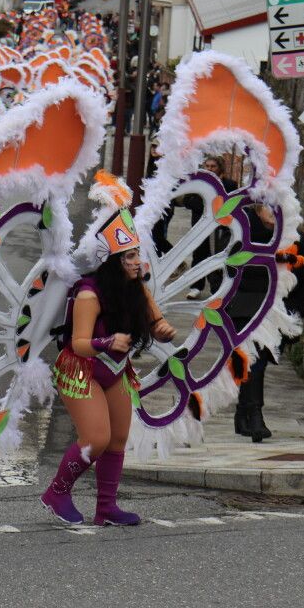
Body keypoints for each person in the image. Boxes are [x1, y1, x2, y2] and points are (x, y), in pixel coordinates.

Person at [41, 173, 176, 526]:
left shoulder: (134, 287)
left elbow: (154, 318)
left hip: (114, 368)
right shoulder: (89, 293)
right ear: (112, 261)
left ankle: (106, 507)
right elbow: (79, 343)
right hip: (79, 366)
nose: (136, 262)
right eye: (129, 256)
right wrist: (107, 342)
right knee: (96, 438)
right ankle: (57, 491)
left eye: (136, 254)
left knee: (118, 438)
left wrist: (162, 329)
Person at [232, 206, 304, 442]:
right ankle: (255, 414)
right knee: (254, 358)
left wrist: (295, 307)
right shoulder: (242, 230)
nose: (273, 211)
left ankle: (242, 413)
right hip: (244, 307)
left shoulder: (292, 237)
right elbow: (223, 266)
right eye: (268, 206)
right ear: (258, 209)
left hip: (276, 309)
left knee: (257, 360)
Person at [185, 155, 238, 299]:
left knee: (218, 256)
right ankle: (196, 286)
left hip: (220, 227)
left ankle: (216, 288)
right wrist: (204, 206)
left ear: (220, 168)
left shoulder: (230, 185)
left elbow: (233, 205)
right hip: (200, 225)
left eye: (213, 166)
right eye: (207, 166)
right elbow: (187, 201)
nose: (209, 169)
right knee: (199, 255)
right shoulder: (197, 183)